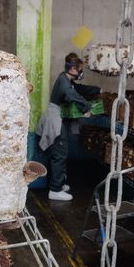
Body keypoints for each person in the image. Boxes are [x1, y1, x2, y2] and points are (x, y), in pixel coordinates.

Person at [36, 53, 101, 201]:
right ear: (72, 69)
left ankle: (58, 183)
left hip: (59, 118)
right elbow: (72, 94)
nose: (81, 73)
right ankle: (55, 190)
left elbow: (79, 89)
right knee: (59, 154)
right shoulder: (65, 83)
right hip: (55, 120)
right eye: (79, 70)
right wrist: (86, 108)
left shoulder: (65, 78)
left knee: (60, 152)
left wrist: (98, 90)